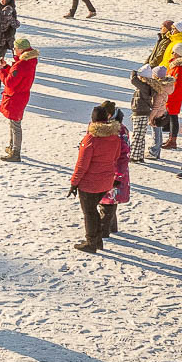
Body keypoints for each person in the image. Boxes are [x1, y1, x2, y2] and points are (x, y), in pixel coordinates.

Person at [68, 104, 127, 252]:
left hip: (89, 184)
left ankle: (91, 242)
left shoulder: (90, 139)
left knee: (90, 212)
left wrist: (74, 183)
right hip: (106, 182)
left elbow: (81, 165)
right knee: (94, 210)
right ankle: (98, 241)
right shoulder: (114, 137)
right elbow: (115, 158)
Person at [0, 38, 38, 163]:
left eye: (15, 48)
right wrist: (7, 67)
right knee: (13, 123)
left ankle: (16, 152)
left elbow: (9, 82)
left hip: (15, 97)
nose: (14, 50)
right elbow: (16, 74)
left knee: (15, 125)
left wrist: (0, 70)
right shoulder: (29, 61)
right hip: (21, 95)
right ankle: (12, 147)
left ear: (21, 49)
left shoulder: (21, 64)